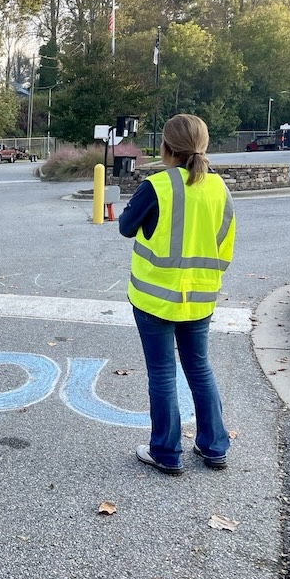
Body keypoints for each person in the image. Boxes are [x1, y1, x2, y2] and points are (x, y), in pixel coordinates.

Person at [118, 114, 235, 475]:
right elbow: (224, 245)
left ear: (166, 148)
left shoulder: (157, 186)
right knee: (199, 367)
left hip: (154, 298)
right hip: (200, 297)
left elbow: (125, 227)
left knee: (162, 372)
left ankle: (167, 453)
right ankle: (213, 446)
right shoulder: (220, 189)